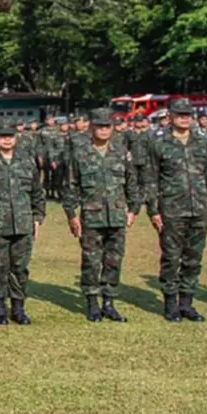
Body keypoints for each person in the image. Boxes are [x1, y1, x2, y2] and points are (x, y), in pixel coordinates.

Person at [144, 98, 207, 322]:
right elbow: (151, 179)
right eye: (180, 114)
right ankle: (170, 304)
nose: (185, 118)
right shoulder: (159, 143)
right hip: (171, 209)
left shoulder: (201, 142)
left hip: (199, 209)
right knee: (171, 258)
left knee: (193, 258)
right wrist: (154, 211)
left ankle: (187, 304)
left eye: (188, 115)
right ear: (171, 116)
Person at [63, 108, 141, 323]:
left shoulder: (121, 152)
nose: (104, 130)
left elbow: (132, 183)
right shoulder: (80, 153)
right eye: (99, 126)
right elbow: (70, 186)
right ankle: (92, 303)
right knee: (91, 260)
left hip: (117, 215)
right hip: (91, 217)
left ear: (113, 128)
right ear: (91, 127)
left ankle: (109, 302)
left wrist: (133, 210)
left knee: (114, 260)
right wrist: (72, 214)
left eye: (107, 126)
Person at [0, 117, 44, 326]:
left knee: (20, 268)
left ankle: (18, 308)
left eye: (10, 136)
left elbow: (37, 193)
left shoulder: (26, 161)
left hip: (23, 224)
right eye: (2, 136)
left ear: (16, 137)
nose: (6, 140)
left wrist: (37, 217)